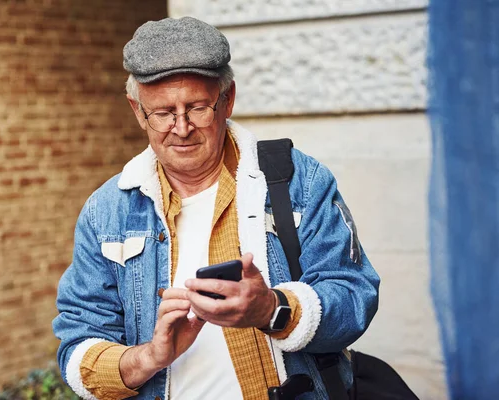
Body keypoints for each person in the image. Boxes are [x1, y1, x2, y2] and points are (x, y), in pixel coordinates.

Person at [52, 16, 380, 400]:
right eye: (162, 113)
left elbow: (355, 296)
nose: (181, 127)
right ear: (137, 110)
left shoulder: (298, 181)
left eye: (197, 107)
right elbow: (78, 343)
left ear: (228, 100)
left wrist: (272, 309)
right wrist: (148, 357)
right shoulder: (106, 210)